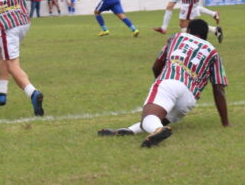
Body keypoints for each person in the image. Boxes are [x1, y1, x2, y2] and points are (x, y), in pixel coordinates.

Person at [97, 19, 230, 148]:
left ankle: (159, 130)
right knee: (157, 118)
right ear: (206, 35)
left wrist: (162, 85)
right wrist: (225, 123)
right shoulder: (213, 53)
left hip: (170, 81)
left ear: (189, 30)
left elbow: (156, 66)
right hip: (189, 98)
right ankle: (128, 131)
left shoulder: (178, 37)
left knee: (150, 117)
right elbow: (219, 89)